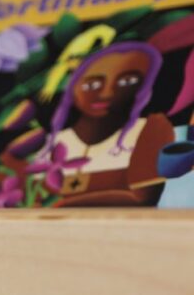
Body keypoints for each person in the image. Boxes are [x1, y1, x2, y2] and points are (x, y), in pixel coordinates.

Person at [42, 41, 173, 207]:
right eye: (92, 84)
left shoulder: (151, 128)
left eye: (127, 82)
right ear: (73, 89)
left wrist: (59, 206)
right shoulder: (52, 141)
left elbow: (141, 197)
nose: (106, 93)